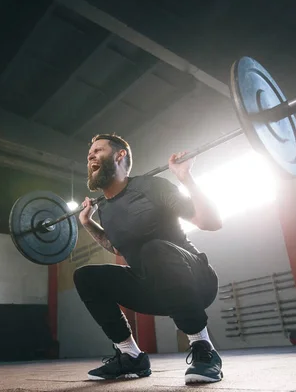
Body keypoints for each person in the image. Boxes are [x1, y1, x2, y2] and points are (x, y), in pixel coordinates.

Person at [74, 133, 223, 384]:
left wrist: (185, 177)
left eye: (98, 150)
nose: (90, 155)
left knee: (153, 250)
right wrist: (88, 223)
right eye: (90, 154)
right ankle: (130, 355)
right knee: (86, 277)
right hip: (156, 289)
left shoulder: (151, 186)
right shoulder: (106, 209)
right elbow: (119, 248)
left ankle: (204, 350)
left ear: (120, 155)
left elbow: (211, 222)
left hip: (196, 280)